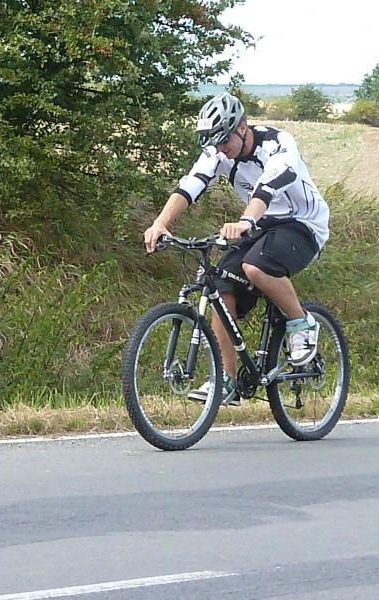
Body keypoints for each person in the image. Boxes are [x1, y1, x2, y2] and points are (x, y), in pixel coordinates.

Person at [143, 91, 329, 406]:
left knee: (256, 266)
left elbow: (266, 189)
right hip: (262, 226)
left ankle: (301, 323)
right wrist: (160, 223)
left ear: (242, 127)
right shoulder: (219, 151)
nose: (221, 149)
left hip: (303, 224)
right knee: (220, 285)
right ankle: (225, 380)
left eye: (224, 141)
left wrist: (245, 222)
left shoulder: (278, 144)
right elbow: (191, 184)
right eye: (214, 144)